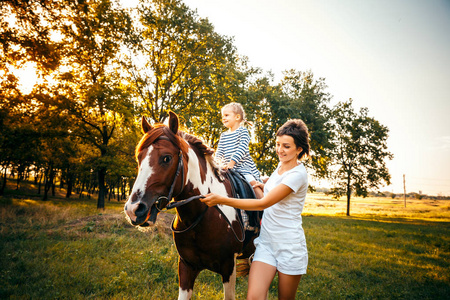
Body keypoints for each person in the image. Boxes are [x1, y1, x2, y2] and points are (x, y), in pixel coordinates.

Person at [201, 119, 310, 300]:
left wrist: (222, 200)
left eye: (286, 146)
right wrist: (264, 182)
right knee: (254, 297)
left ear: (299, 149)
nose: (280, 150)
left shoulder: (298, 175)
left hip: (289, 246)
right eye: (278, 144)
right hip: (267, 243)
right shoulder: (282, 165)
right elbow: (277, 180)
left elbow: (263, 204)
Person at [215, 102, 264, 199]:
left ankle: (265, 205)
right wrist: (216, 164)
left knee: (252, 184)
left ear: (237, 117)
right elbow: (219, 152)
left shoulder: (243, 132)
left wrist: (232, 163)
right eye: (222, 116)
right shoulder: (223, 136)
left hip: (242, 168)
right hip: (226, 169)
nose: (223, 118)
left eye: (226, 115)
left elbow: (241, 149)